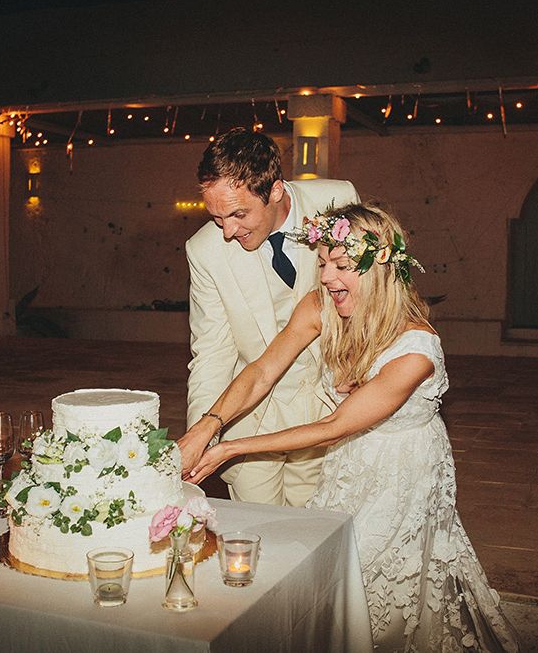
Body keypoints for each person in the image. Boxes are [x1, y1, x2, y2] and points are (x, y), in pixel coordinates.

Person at [182, 203, 520, 651]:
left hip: (403, 473)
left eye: (341, 266)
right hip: (349, 461)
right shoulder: (320, 307)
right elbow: (263, 370)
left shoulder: (415, 351)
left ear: (380, 267)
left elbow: (335, 423)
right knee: (332, 571)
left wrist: (230, 448)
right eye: (322, 263)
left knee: (379, 580)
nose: (325, 277)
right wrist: (209, 426)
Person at [181, 127, 359, 506]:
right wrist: (203, 432)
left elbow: (369, 299)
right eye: (216, 217)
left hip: (326, 409)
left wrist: (362, 366)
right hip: (250, 418)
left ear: (275, 190)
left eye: (238, 214)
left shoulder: (338, 201)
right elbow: (212, 352)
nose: (227, 231)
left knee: (315, 534)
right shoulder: (204, 250)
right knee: (257, 537)